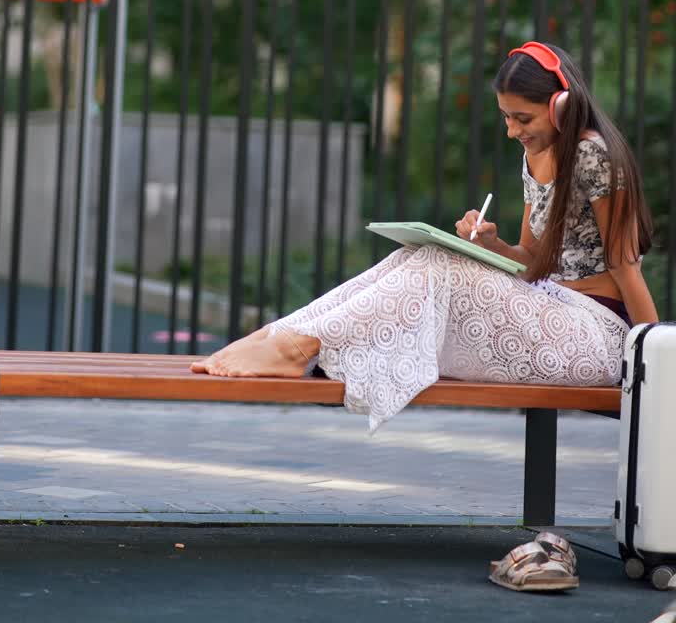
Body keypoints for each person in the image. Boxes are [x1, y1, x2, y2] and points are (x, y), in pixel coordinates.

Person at [191, 41, 659, 431]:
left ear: (560, 107)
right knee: (419, 254)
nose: (511, 130)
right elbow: (532, 263)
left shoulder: (593, 154)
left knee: (440, 265)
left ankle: (295, 347)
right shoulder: (536, 153)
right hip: (551, 312)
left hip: (597, 334)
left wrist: (655, 366)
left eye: (522, 118)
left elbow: (626, 269)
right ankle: (286, 336)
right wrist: (490, 245)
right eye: (505, 117)